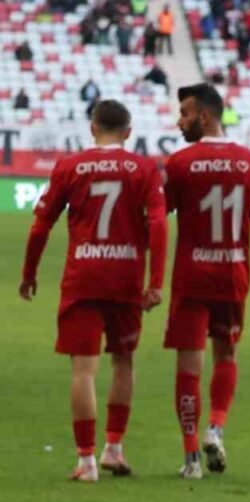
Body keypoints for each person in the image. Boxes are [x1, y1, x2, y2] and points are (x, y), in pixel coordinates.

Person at [18, 100, 167, 481]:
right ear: (128, 132)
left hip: (82, 278)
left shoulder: (70, 166)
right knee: (123, 361)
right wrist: (155, 282)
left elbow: (41, 225)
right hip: (126, 278)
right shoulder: (144, 169)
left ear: (92, 128)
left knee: (83, 370)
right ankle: (114, 448)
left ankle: (86, 461)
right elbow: (158, 224)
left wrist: (29, 273)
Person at [164, 83, 250, 479]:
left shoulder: (180, 164)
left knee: (189, 365)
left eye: (185, 114)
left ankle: (191, 458)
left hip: (192, 276)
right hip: (232, 274)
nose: (179, 122)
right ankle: (215, 427)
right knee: (226, 355)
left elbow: (157, 217)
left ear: (204, 116)